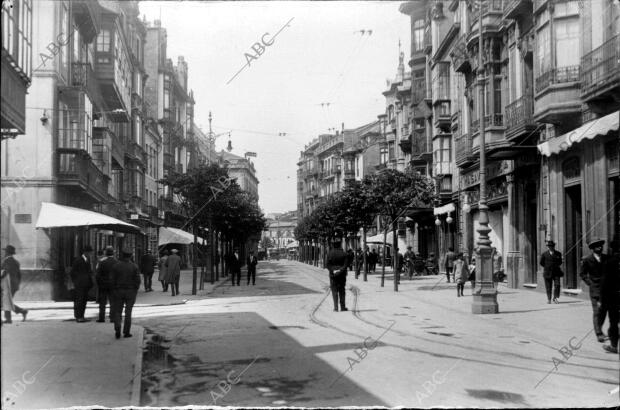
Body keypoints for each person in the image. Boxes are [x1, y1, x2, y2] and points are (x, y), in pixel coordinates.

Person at [580, 238, 610, 343]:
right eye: (597, 246)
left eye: (601, 245)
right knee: (597, 312)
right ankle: (599, 334)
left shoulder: (606, 258)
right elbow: (582, 274)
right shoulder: (587, 260)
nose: (600, 247)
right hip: (595, 290)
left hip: (606, 289)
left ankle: (600, 330)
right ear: (593, 248)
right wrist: (590, 283)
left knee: (603, 312)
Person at [110, 248, 140, 339]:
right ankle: (126, 332)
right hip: (130, 292)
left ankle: (117, 329)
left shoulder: (116, 266)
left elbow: (112, 280)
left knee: (118, 311)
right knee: (128, 312)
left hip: (118, 291)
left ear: (122, 255)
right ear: (131, 256)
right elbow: (138, 281)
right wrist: (135, 290)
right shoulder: (134, 266)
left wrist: (114, 290)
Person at [601, 240, 619, 354]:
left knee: (613, 323)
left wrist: (603, 301)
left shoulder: (610, 262)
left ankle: (614, 346)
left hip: (614, 298)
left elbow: (605, 283)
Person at [1, 245, 28, 323]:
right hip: (14, 285)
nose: (4, 253)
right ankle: (22, 311)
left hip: (8, 285)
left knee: (5, 301)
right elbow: (19, 275)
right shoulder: (16, 262)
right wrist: (17, 284)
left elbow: (4, 272)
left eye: (5, 251)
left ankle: (10, 318)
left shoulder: (7, 261)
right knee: (6, 301)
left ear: (7, 252)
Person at [70, 245, 94, 322]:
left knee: (84, 300)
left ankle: (82, 316)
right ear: (86, 252)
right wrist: (76, 281)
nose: (90, 254)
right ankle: (78, 316)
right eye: (90, 252)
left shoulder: (87, 260)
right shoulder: (78, 260)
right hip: (80, 284)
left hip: (86, 284)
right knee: (79, 300)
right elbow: (73, 272)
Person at [95, 246, 117, 323]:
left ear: (106, 253)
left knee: (102, 302)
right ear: (113, 253)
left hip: (103, 285)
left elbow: (98, 275)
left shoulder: (102, 262)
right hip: (113, 285)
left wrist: (99, 284)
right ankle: (112, 317)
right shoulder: (116, 262)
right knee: (113, 302)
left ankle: (101, 318)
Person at [326, 239, 348, 312]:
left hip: (333, 275)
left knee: (334, 291)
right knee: (342, 290)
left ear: (333, 245)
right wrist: (340, 270)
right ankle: (343, 307)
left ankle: (335, 308)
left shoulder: (329, 253)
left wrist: (333, 270)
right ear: (340, 244)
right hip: (342, 275)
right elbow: (345, 265)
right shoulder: (344, 254)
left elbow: (327, 265)